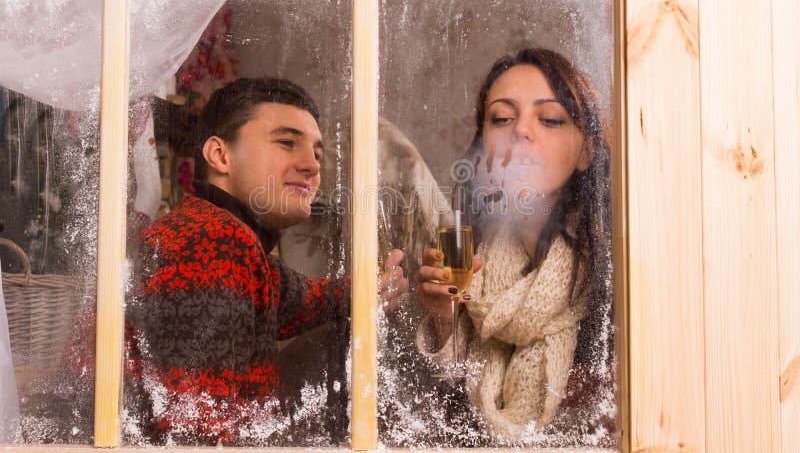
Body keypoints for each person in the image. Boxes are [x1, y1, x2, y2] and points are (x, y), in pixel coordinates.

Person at [125, 77, 408, 445]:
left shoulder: (219, 234)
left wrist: (370, 289)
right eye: (287, 143)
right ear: (220, 155)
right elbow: (192, 438)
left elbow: (302, 297)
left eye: (318, 154)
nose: (311, 166)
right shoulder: (212, 241)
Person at [414, 48, 612, 443]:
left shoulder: (617, 268)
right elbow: (447, 423)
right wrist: (443, 317)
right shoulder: (471, 258)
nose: (520, 130)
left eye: (551, 119)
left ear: (586, 153)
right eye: (502, 118)